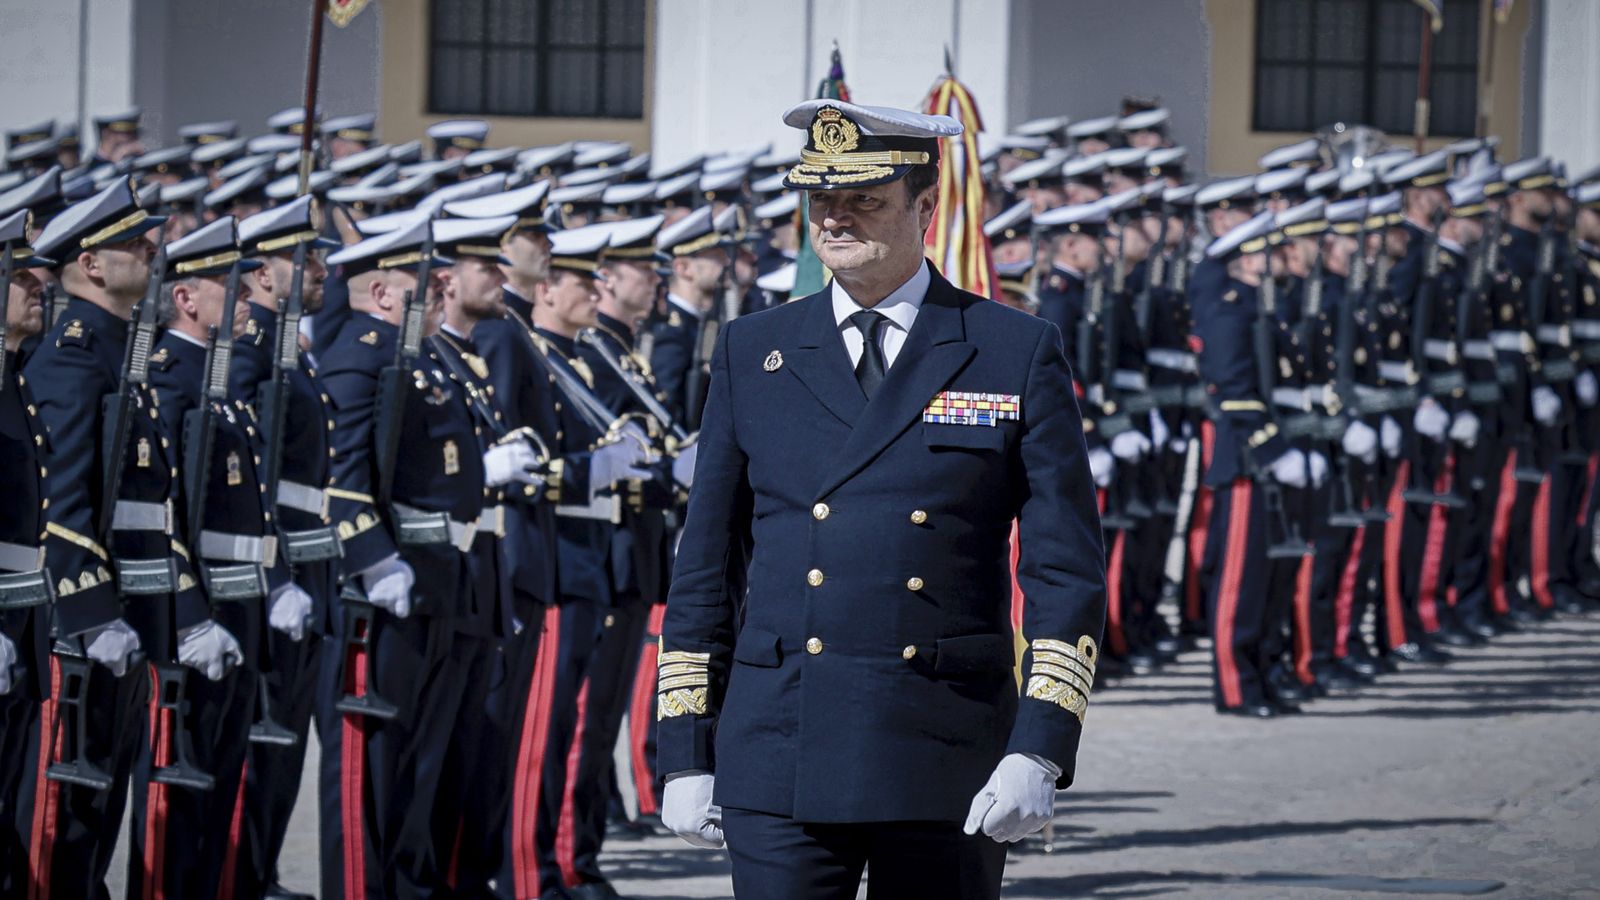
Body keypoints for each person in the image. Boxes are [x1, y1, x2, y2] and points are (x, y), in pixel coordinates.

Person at [656, 99, 1107, 900]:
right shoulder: (753, 349)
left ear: (925, 207)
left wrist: (1040, 744)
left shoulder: (1009, 350)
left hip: (939, 746)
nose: (836, 218)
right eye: (821, 199)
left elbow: (1064, 572)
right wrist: (685, 746)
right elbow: (706, 566)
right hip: (781, 740)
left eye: (863, 198)